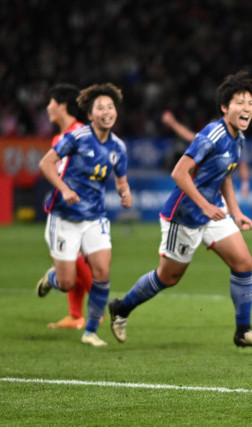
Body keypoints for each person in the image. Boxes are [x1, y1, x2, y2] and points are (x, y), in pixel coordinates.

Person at [107, 72, 252, 349]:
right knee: (168, 276)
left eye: (250, 103)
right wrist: (206, 205)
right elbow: (179, 172)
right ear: (224, 107)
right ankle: (121, 308)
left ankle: (242, 331)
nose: (247, 108)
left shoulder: (239, 138)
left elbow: (226, 175)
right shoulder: (212, 134)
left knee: (243, 263)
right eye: (240, 102)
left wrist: (235, 211)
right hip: (184, 215)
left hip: (212, 213)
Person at [37, 83, 133, 346]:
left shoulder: (118, 148)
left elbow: (121, 180)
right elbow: (45, 163)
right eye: (100, 107)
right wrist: (64, 188)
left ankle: (90, 331)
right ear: (90, 115)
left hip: (95, 218)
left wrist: (125, 192)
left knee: (102, 271)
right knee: (67, 282)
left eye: (110, 107)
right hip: (65, 216)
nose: (107, 111)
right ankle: (52, 278)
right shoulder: (77, 137)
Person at [38, 83, 95, 330]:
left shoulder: (81, 133)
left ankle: (80, 314)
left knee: (81, 264)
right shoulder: (59, 137)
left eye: (51, 102)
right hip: (62, 212)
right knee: (69, 275)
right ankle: (79, 309)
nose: (48, 107)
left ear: (62, 105)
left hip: (81, 211)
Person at [161, 110, 250, 197]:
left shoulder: (237, 141)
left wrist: (245, 184)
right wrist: (172, 123)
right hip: (205, 188)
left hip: (222, 190)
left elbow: (242, 164)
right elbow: (190, 136)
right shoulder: (209, 140)